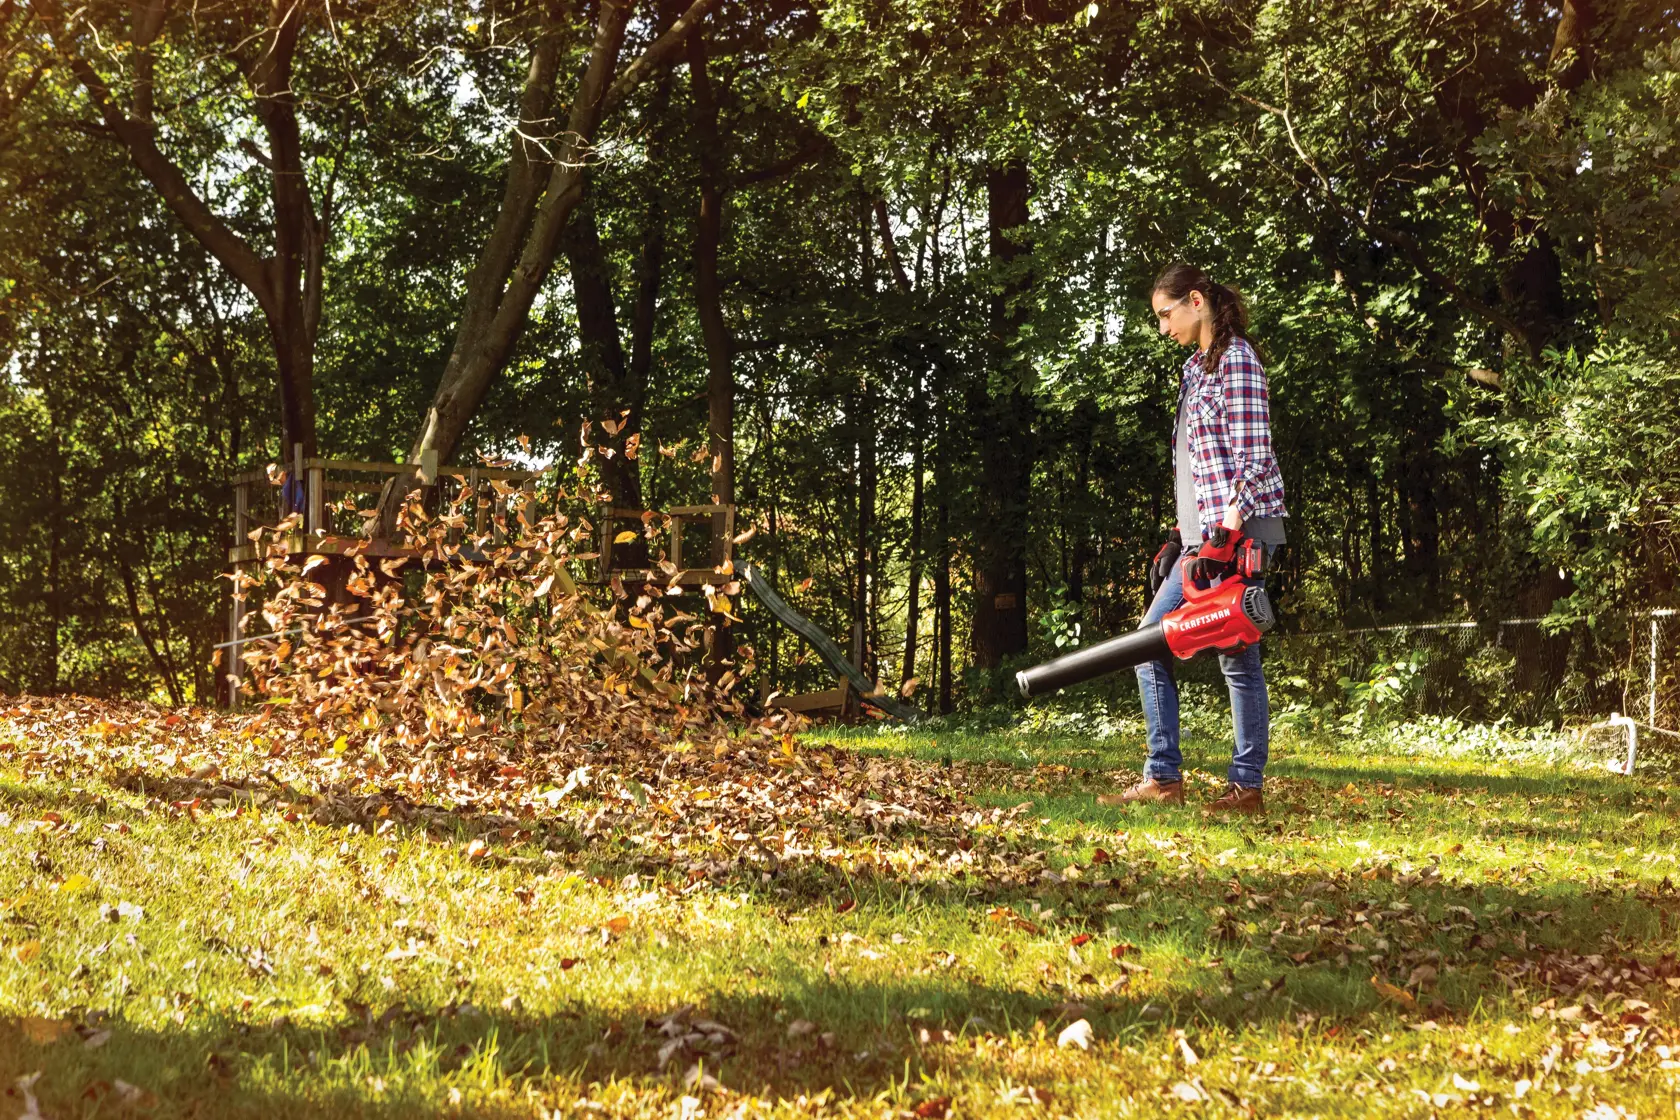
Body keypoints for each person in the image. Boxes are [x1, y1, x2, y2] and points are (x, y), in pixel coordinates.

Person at [1099, 262, 1288, 815]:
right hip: (1200, 538)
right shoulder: (1193, 371)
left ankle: (1245, 786)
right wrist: (1180, 536)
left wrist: (1225, 534)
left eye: (1166, 314)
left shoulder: (1238, 362)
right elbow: (1198, 468)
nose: (1163, 327)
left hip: (1241, 533)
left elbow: (1255, 462)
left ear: (1196, 301)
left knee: (1236, 657)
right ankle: (1165, 776)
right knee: (1148, 644)